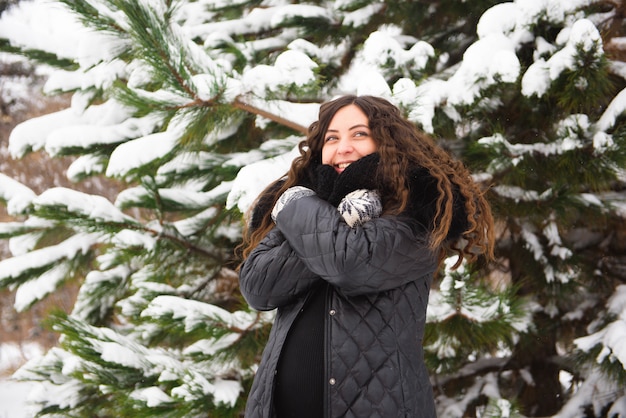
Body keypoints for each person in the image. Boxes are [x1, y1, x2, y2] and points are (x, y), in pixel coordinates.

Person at [237, 95, 495, 418]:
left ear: (388, 142)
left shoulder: (416, 216)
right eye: (332, 138)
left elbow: (348, 263)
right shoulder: (319, 209)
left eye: (359, 134)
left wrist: (293, 204)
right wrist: (330, 218)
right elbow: (257, 285)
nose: (343, 147)